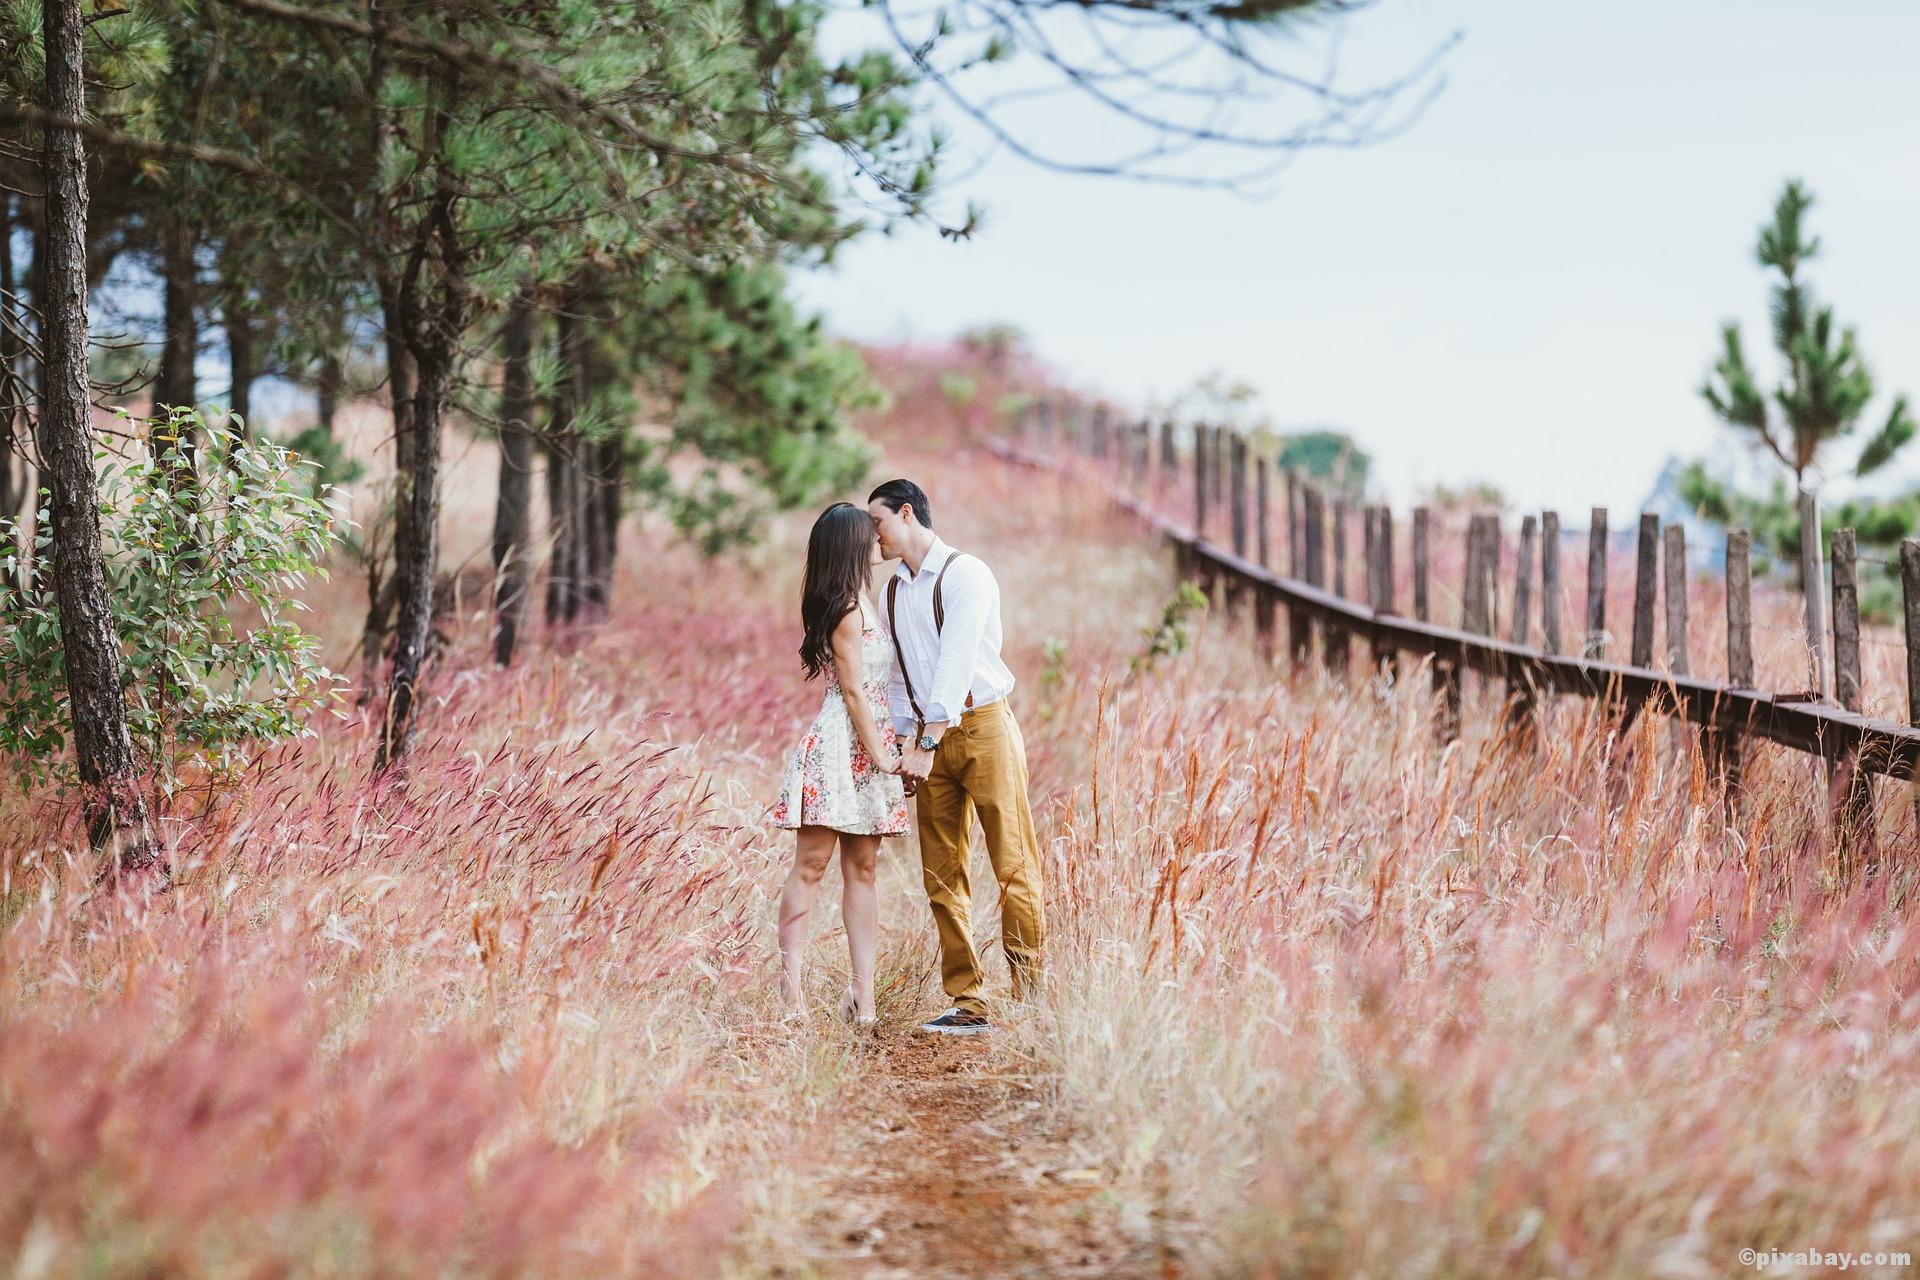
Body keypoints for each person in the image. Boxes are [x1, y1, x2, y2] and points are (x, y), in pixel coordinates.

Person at [867, 478, 1046, 1036]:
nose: (873, 536)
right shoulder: (892, 591)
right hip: (926, 741)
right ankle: (969, 1001)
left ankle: (1030, 997)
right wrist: (904, 745)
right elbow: (898, 678)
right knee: (941, 872)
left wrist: (925, 742)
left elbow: (956, 662)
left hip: (983, 727)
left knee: (1012, 862)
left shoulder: (966, 573)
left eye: (878, 523)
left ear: (905, 513)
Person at [771, 502, 910, 1025]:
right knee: (810, 866)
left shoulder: (865, 601)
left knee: (864, 869)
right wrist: (881, 756)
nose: (878, 538)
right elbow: (852, 690)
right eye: (868, 532)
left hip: (868, 744)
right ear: (850, 545)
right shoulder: (846, 608)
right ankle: (791, 997)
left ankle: (863, 995)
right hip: (840, 746)